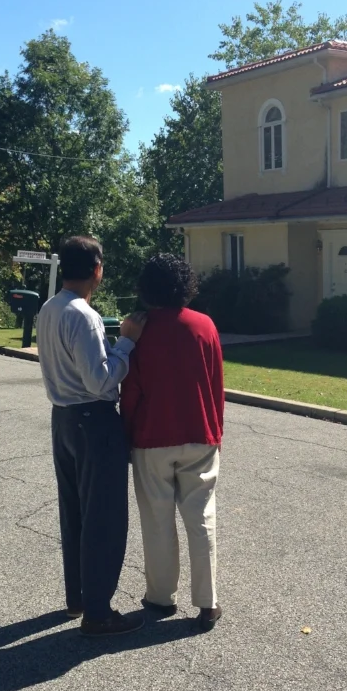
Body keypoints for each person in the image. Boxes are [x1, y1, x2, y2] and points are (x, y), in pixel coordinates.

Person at [37, 235, 146, 637]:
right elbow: (100, 380)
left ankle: (79, 597)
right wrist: (127, 342)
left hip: (62, 418)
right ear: (97, 269)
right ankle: (99, 613)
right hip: (93, 420)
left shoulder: (49, 308)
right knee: (104, 518)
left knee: (75, 513)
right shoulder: (83, 315)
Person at [120, 254, 224, 632]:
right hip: (200, 433)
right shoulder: (204, 325)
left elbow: (131, 389)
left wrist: (126, 433)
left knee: (157, 520)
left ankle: (161, 596)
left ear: (146, 287)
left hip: (151, 436)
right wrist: (216, 431)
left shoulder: (138, 330)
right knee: (201, 517)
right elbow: (215, 382)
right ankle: (208, 602)